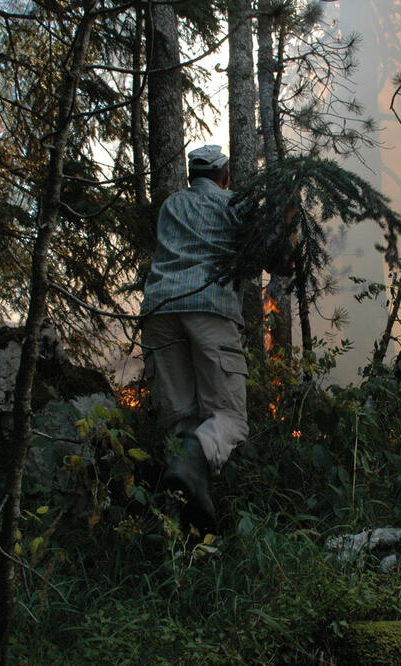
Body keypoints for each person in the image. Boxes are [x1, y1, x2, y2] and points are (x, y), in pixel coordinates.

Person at [140, 145, 249, 532]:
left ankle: (185, 530)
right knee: (230, 417)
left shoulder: (171, 205)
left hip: (159, 311)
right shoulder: (235, 205)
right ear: (224, 175)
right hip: (209, 308)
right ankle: (191, 479)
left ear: (192, 176)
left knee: (181, 423)